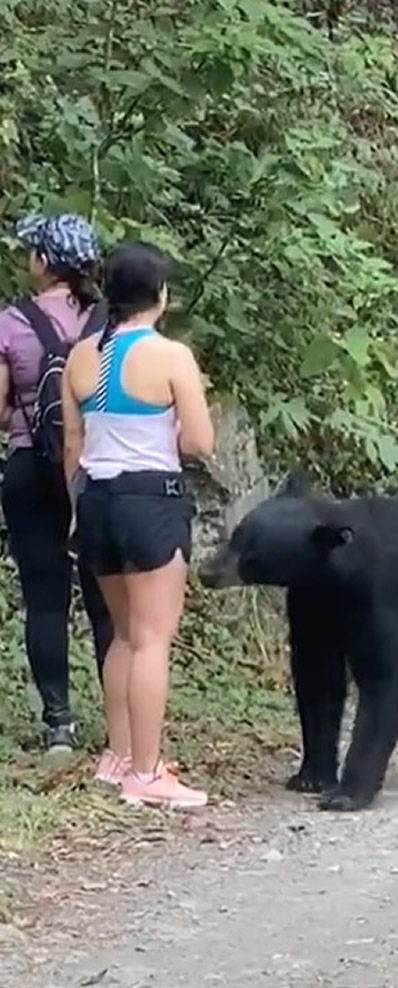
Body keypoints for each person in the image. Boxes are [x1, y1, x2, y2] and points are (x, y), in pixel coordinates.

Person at [62, 239, 215, 809]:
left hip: (96, 502)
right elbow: (200, 441)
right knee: (153, 639)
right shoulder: (171, 357)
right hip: (151, 501)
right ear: (161, 296)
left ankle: (120, 757)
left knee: (124, 635)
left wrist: (77, 507)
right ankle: (147, 775)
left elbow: (73, 445)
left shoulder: (81, 357)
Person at [0, 214, 113, 757]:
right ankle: (123, 725)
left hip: (31, 467)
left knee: (45, 600)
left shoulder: (12, 322)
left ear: (44, 262)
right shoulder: (109, 321)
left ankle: (59, 727)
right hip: (99, 470)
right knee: (106, 600)